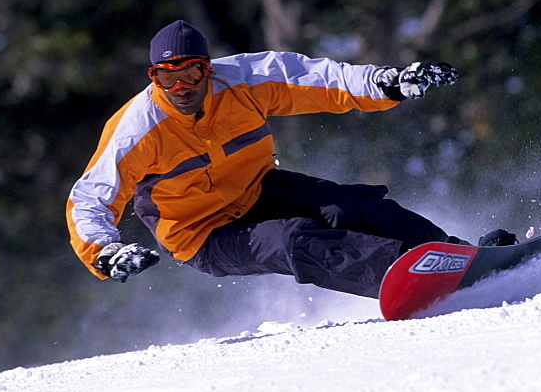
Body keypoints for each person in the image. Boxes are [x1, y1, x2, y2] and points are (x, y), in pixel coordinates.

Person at [66, 20, 515, 298]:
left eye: (192, 74)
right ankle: (415, 276)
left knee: (347, 207)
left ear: (208, 68)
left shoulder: (242, 80)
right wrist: (105, 252)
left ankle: (460, 256)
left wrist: (390, 82)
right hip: (201, 233)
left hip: (257, 189)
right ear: (154, 78)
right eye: (168, 78)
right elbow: (90, 198)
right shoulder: (137, 129)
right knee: (297, 239)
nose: (182, 88)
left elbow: (315, 77)